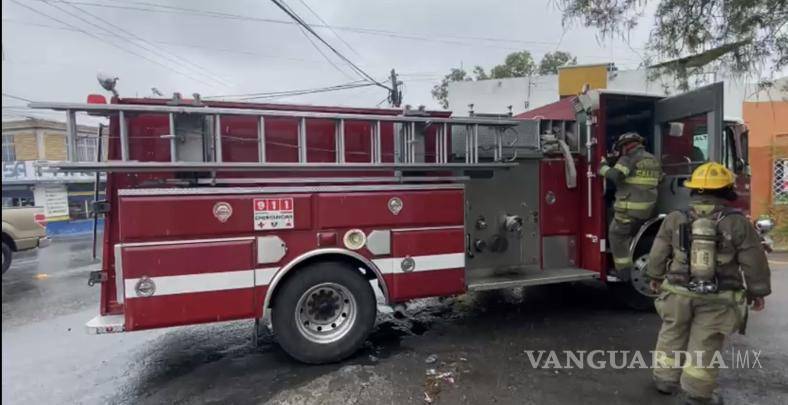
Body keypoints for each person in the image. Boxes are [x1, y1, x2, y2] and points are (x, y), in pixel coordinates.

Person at [646, 162, 771, 405]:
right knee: (705, 341)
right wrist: (758, 291)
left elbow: (658, 250)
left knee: (672, 332)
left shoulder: (675, 217)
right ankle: (697, 393)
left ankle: (665, 379)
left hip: (676, 292)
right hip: (718, 297)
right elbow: (753, 259)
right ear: (726, 190)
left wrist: (655, 277)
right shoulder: (737, 222)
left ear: (693, 189)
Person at [598, 132, 661, 277]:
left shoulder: (628, 158)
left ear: (626, 146)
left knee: (616, 235)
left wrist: (602, 166)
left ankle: (623, 270)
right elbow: (660, 179)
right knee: (630, 234)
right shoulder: (652, 159)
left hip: (629, 211)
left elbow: (615, 175)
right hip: (648, 211)